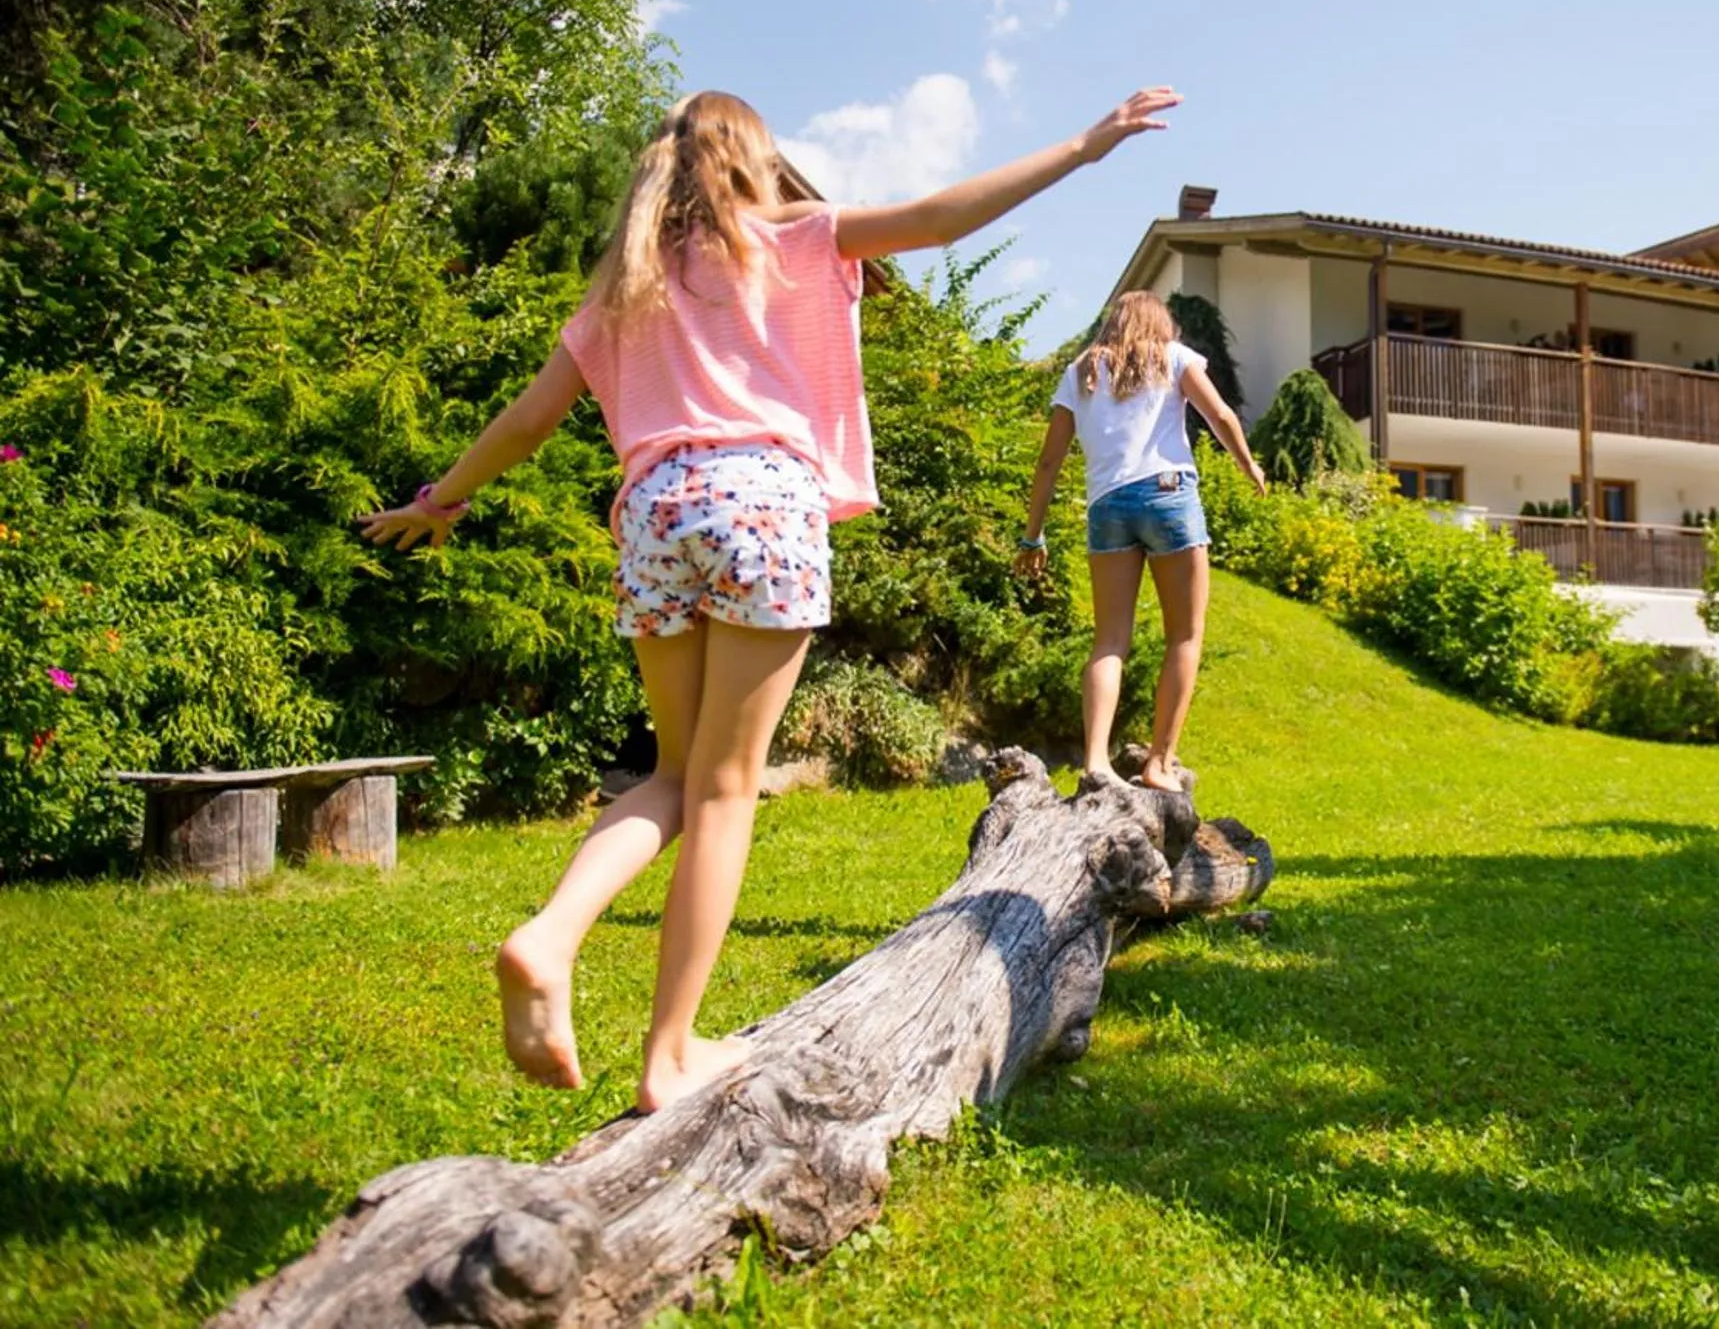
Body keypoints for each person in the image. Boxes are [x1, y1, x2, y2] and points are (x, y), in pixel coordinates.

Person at [360, 85, 1181, 1111]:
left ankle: (552, 933)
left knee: (670, 776)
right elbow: (941, 217)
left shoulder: (629, 283)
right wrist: (1083, 145)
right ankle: (668, 1054)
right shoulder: (796, 238)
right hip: (763, 505)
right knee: (723, 791)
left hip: (655, 512)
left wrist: (439, 500)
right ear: (755, 160)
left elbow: (529, 417)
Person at [1017, 290, 1264, 791]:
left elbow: (1048, 462)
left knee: (1109, 641)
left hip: (1107, 506)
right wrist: (1248, 464)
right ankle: (1159, 763)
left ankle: (1096, 762)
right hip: (1168, 494)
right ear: (1160, 323)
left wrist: (1032, 536)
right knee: (1185, 636)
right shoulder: (1173, 356)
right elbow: (1220, 416)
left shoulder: (1079, 373)